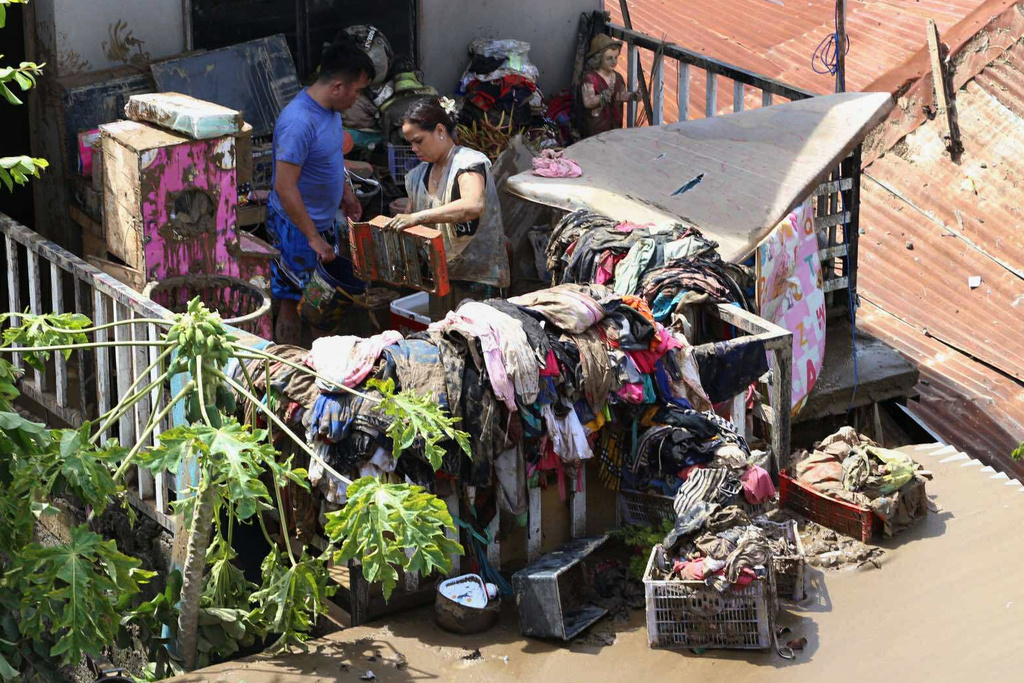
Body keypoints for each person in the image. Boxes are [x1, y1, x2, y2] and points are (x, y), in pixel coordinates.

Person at [266, 40, 375, 344]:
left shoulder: (332, 111)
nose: (357, 98)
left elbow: (332, 157)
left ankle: (317, 360)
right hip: (294, 227)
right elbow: (285, 186)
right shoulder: (298, 122)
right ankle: (290, 363)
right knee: (300, 302)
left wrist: (346, 193)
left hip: (320, 222)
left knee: (318, 301)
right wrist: (312, 236)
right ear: (338, 87)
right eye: (357, 91)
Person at [386, 97, 510, 309]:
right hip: (440, 277)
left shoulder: (468, 162)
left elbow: (473, 205)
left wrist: (417, 217)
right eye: (410, 143)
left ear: (440, 130)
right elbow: (409, 222)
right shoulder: (417, 175)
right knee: (441, 328)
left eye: (418, 141)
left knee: (477, 327)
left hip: (479, 278)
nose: (414, 148)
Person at [580, 34, 638, 138]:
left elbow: (619, 95)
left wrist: (632, 96)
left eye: (616, 57)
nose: (614, 62)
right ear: (598, 58)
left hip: (615, 126)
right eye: (609, 58)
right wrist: (603, 97)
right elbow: (588, 102)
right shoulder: (591, 78)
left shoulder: (618, 77)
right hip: (596, 129)